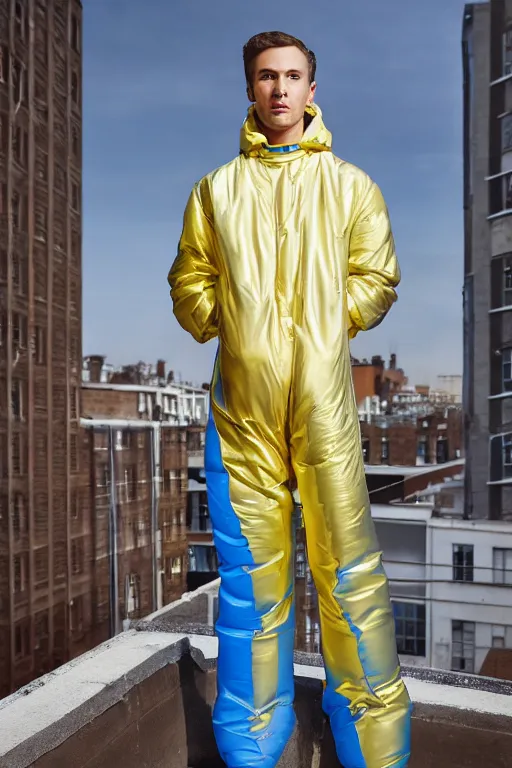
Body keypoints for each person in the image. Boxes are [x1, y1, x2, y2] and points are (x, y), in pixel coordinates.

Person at [169, 30, 411, 768]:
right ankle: (251, 739)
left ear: (312, 90)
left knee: (350, 574)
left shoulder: (351, 186)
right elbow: (190, 281)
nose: (279, 88)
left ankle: (372, 738)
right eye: (266, 76)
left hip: (326, 411)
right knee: (251, 587)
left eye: (292, 76)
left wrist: (329, 320)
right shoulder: (217, 189)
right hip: (240, 415)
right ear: (251, 89)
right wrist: (233, 326)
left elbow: (378, 277)